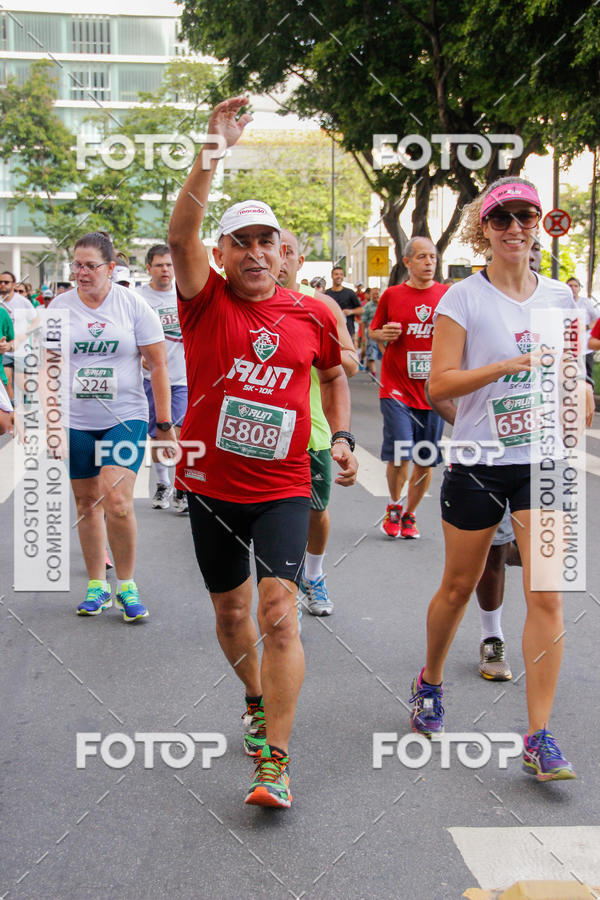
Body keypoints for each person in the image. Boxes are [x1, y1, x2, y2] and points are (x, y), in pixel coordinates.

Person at [168, 96, 358, 809]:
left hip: (282, 483)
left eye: (265, 240)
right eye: (238, 241)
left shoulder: (312, 312)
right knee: (229, 614)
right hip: (212, 486)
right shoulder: (203, 300)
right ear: (219, 255)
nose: (253, 252)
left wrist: (338, 436)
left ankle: (274, 762)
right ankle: (253, 697)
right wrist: (213, 148)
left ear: (283, 251)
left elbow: (335, 379)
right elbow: (180, 229)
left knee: (279, 612)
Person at [410, 176, 587, 782]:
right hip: (480, 459)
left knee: (548, 594)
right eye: (503, 217)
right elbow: (438, 386)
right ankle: (430, 679)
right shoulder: (463, 298)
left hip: (546, 462)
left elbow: (575, 378)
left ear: (538, 225)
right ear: (482, 228)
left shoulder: (563, 298)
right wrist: (507, 366)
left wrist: (583, 394)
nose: (516, 227)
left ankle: (538, 735)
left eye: (526, 216)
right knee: (458, 587)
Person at [46, 230, 174, 621]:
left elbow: (158, 366)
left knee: (117, 502)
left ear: (111, 268)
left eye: (90, 266)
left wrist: (165, 424)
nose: (82, 273)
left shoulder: (134, 307)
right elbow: (50, 367)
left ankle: (127, 586)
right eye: (77, 265)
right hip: (77, 421)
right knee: (86, 504)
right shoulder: (59, 307)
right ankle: (96, 586)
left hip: (125, 418)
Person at [279, 228, 358, 618]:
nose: (278, 259)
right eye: (270, 251)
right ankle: (283, 583)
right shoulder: (246, 301)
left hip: (313, 432)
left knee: (315, 510)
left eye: (286, 251)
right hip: (265, 433)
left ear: (299, 261)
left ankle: (314, 574)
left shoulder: (320, 305)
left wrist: (316, 346)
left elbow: (351, 364)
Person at [369, 237, 447, 539]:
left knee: (425, 458)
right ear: (407, 262)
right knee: (402, 451)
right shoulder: (392, 295)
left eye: (433, 257)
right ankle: (393, 505)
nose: (429, 263)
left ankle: (410, 514)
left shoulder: (447, 295)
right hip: (396, 388)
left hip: (433, 391)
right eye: (422, 257)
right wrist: (382, 333)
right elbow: (374, 330)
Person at [138, 244, 189, 514]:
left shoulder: (184, 295)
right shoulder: (138, 298)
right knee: (159, 433)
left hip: (181, 377)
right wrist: (139, 355)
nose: (165, 270)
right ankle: (162, 483)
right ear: (149, 268)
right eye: (159, 265)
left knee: (177, 432)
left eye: (169, 265)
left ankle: (181, 486)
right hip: (150, 378)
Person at [0, 271, 34, 398]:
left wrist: (25, 335)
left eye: (6, 282)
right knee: (6, 383)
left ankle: (26, 406)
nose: (3, 285)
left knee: (21, 384)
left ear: (13, 284)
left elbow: (36, 321)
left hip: (21, 349)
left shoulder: (23, 302)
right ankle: (13, 412)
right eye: (0, 282)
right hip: (5, 351)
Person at [566, 276, 599, 382]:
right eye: (570, 286)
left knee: (586, 377)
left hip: (585, 346)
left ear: (579, 288)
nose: (573, 288)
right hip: (568, 346)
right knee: (569, 376)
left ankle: (588, 396)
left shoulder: (586, 302)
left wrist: (586, 327)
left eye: (575, 286)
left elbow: (597, 319)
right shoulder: (562, 303)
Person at [325, 266, 362, 345]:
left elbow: (361, 310)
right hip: (330, 331)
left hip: (347, 331)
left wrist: (351, 311)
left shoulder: (350, 293)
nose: (339, 276)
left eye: (341, 274)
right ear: (332, 276)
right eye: (336, 274)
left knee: (347, 354)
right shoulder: (326, 294)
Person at [361, 287, 382, 378]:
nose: (375, 296)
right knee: (372, 352)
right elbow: (363, 322)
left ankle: (368, 365)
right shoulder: (367, 306)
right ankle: (374, 374)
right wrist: (363, 336)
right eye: (373, 294)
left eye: (377, 294)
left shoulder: (384, 304)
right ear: (370, 295)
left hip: (383, 333)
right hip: (371, 333)